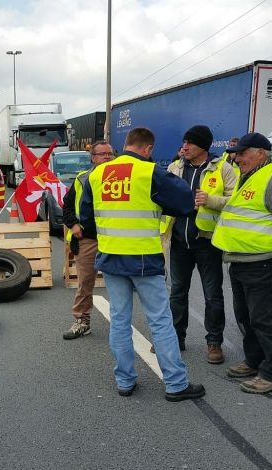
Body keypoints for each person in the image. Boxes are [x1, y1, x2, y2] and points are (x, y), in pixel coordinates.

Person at [79, 127, 206, 402]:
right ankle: (175, 383)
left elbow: (86, 219)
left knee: (120, 321)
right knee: (160, 321)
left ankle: (124, 380)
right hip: (144, 259)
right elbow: (185, 202)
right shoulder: (150, 173)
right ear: (148, 149)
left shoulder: (97, 175)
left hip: (111, 258)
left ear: (125, 145)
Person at [211, 132, 272, 394]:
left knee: (263, 320)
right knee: (246, 317)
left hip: (262, 263)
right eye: (236, 153)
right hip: (242, 260)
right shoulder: (251, 175)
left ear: (261, 153)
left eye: (243, 153)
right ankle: (254, 361)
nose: (237, 157)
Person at [158, 125, 237, 364]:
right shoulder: (175, 167)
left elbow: (237, 202)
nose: (184, 146)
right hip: (180, 242)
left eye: (190, 143)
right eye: (184, 142)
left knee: (212, 295)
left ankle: (214, 343)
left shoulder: (222, 168)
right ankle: (176, 338)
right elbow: (162, 197)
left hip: (208, 243)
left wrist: (210, 200)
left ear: (203, 146)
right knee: (177, 292)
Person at [61, 141, 114, 340]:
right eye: (103, 154)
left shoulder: (122, 179)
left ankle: (120, 323)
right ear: (93, 158)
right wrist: (74, 225)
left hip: (116, 239)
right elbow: (66, 206)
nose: (107, 157)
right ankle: (82, 321)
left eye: (110, 154)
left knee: (121, 282)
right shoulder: (82, 179)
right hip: (88, 240)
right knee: (85, 282)